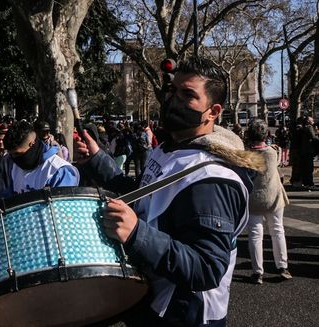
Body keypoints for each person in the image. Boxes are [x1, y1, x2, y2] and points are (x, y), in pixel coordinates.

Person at [76, 58, 264, 326]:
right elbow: (144, 196)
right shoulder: (169, 149)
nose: (175, 100)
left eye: (188, 95)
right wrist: (97, 160)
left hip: (185, 315)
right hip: (152, 301)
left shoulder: (212, 180)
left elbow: (207, 267)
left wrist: (136, 233)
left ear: (213, 112)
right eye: (174, 91)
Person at [245, 120, 292, 284]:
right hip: (273, 197)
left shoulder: (245, 154)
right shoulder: (273, 152)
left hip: (253, 199)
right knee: (277, 230)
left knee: (255, 235)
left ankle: (257, 272)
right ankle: (282, 266)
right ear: (266, 135)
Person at [0, 120, 79, 198]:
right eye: (11, 155)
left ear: (32, 144)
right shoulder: (15, 167)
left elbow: (61, 206)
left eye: (18, 154)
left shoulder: (59, 171)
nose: (14, 158)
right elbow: (8, 198)